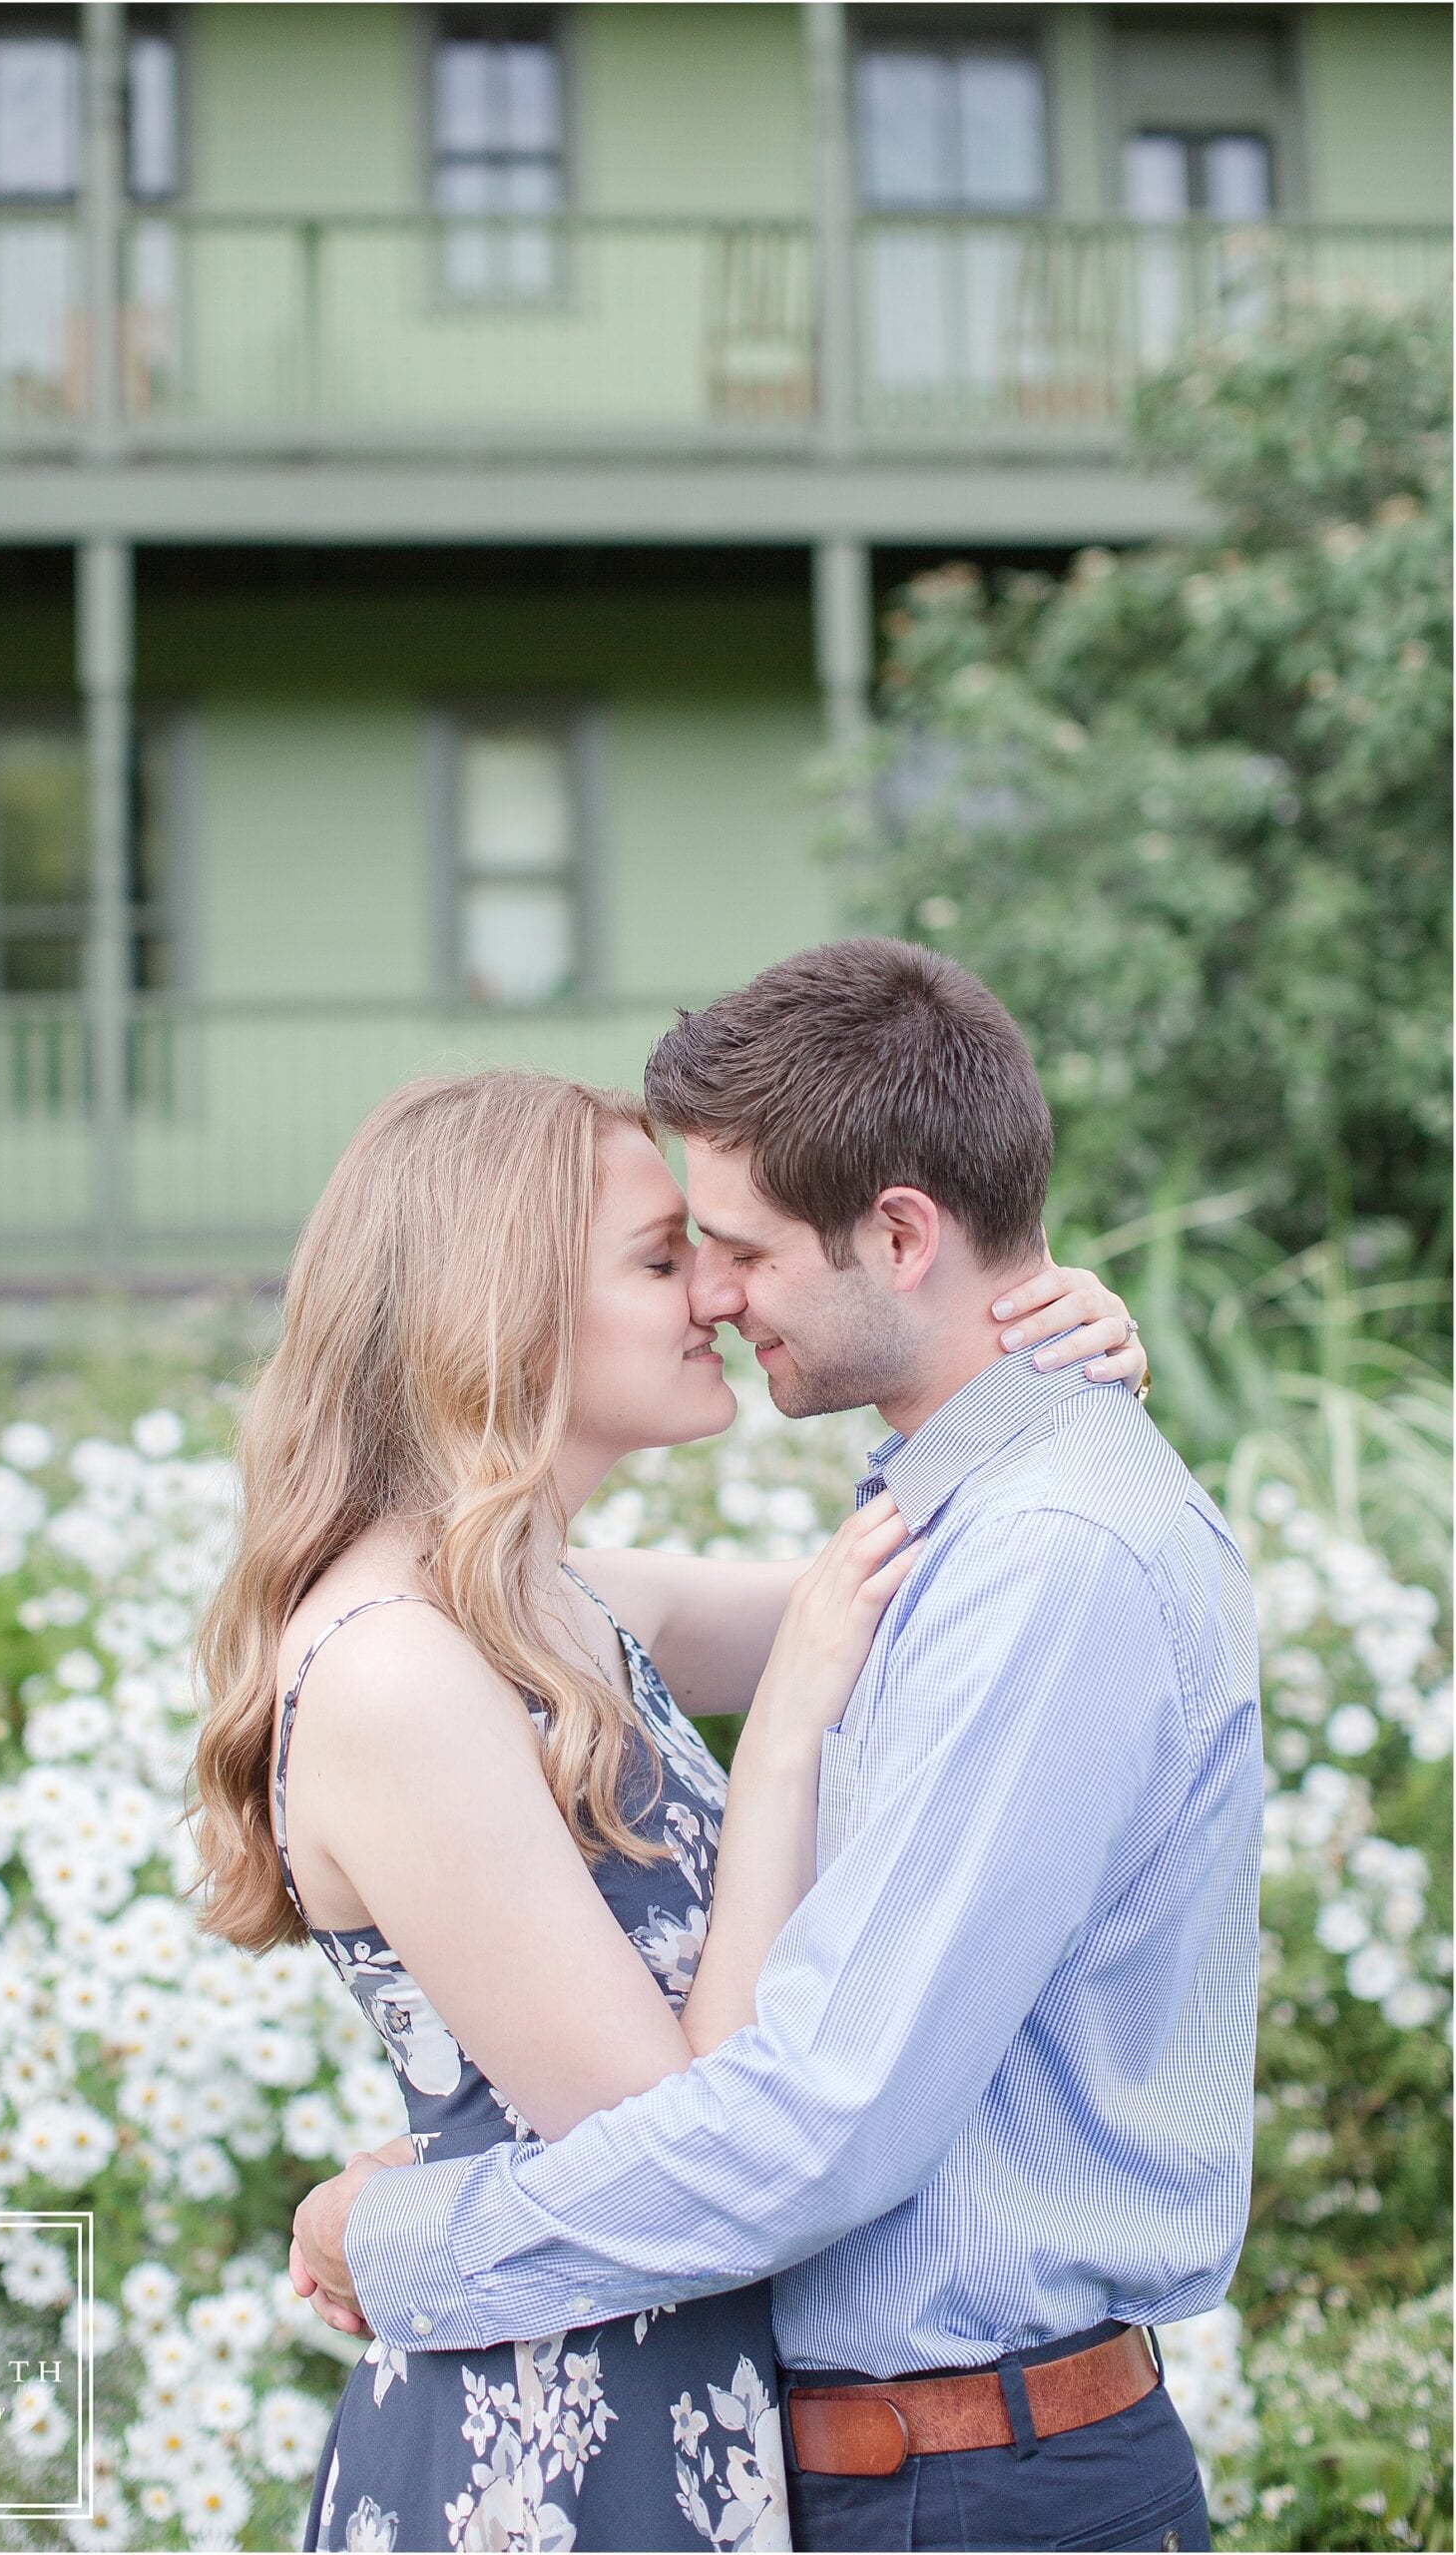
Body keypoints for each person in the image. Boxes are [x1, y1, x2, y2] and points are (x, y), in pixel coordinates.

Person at [290, 940, 1262, 2555]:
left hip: (966, 2476)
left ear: (898, 1232)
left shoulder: (1040, 1557)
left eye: (724, 1248)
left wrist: (406, 2233)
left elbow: (814, 2127)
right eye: (672, 1258)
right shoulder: (916, 1541)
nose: (717, 1298)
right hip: (817, 2461)